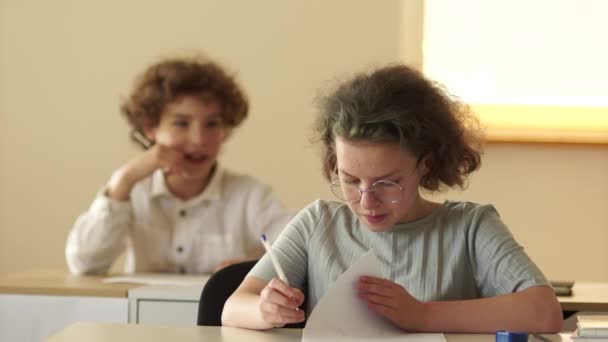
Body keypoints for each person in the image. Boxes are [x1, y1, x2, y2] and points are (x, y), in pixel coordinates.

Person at [221, 64, 563, 333]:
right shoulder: (318, 224)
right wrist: (265, 309)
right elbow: (233, 308)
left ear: (425, 164)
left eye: (387, 183)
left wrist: (423, 315)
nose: (367, 202)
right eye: (350, 180)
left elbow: (544, 312)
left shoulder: (470, 228)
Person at [65, 56, 293, 275]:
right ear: (150, 128)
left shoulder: (250, 195)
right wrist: (124, 179)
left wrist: (252, 268)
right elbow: (85, 263)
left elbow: (298, 253)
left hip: (218, 316)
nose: (198, 139)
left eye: (212, 124)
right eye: (181, 123)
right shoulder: (133, 190)